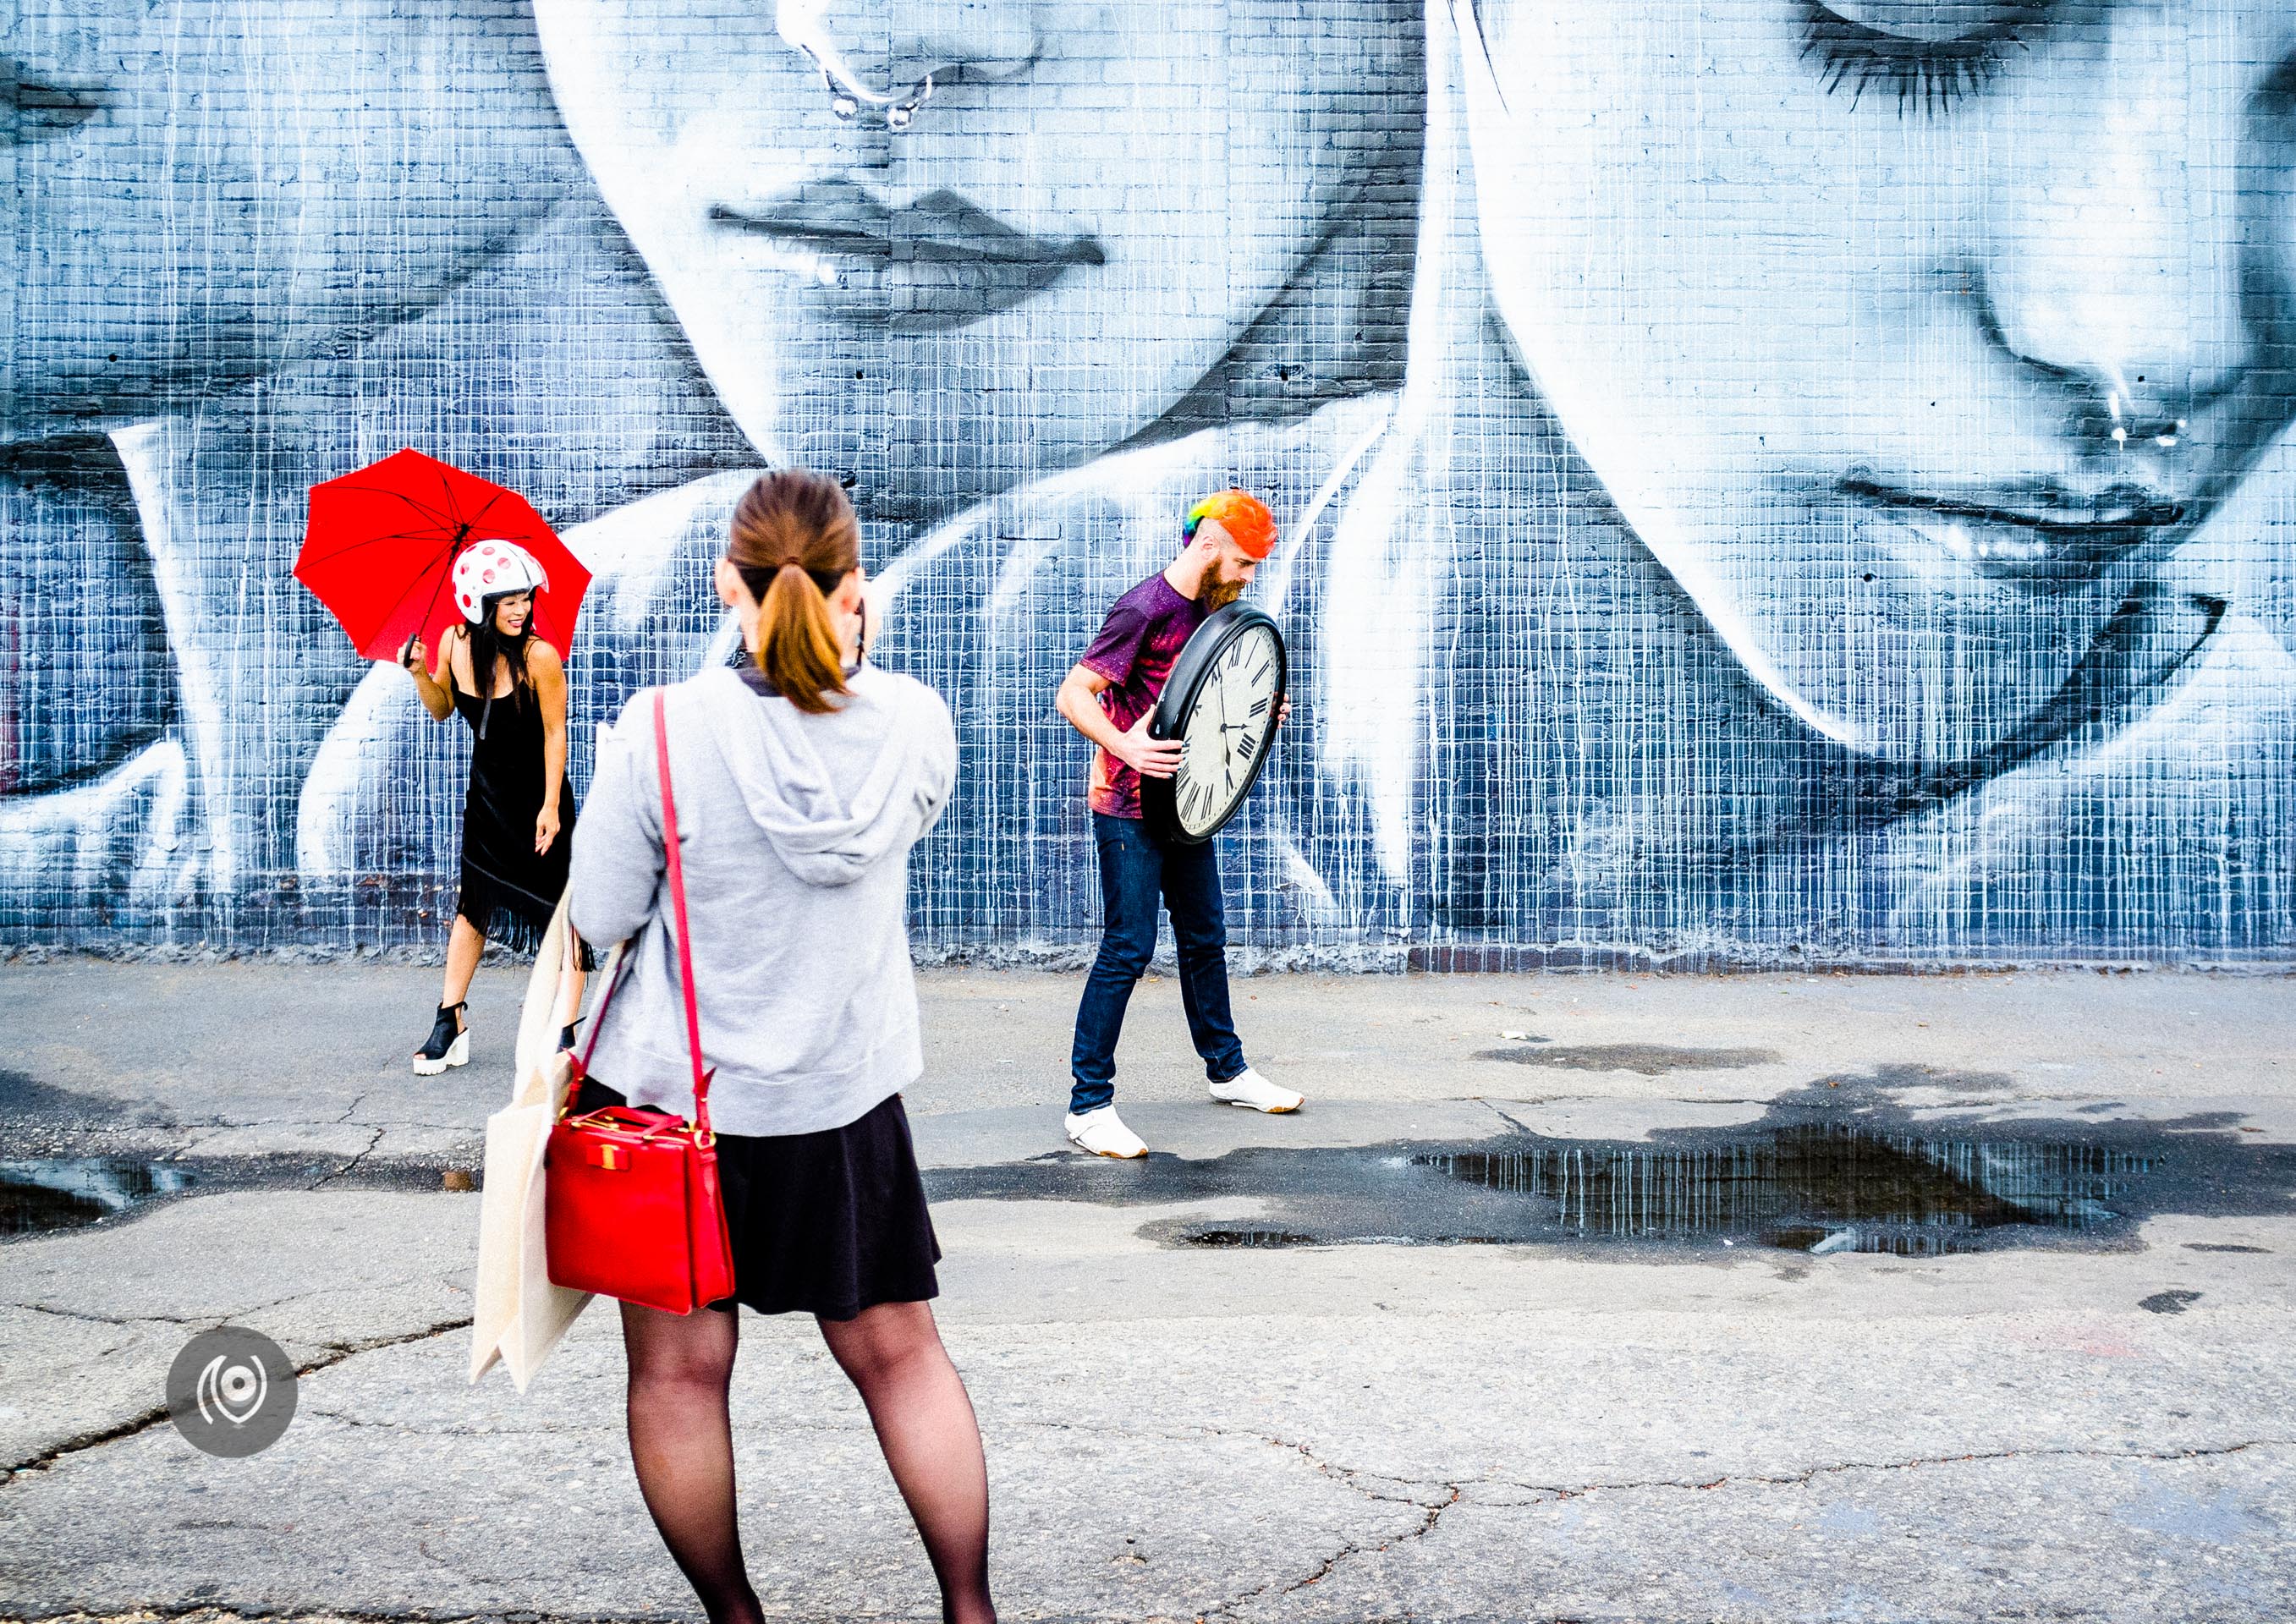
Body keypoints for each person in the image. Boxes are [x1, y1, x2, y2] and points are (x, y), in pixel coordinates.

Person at [566, 470, 987, 1624]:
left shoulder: (659, 729)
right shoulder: (916, 721)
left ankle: (739, 1620)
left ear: (725, 585)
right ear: (858, 588)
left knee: (679, 1378)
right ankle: (969, 1609)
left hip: (673, 1106)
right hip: (842, 1104)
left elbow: (597, 917)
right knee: (902, 1360)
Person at [1053, 490, 1303, 1158]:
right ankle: (1088, 1106)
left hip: (1189, 803)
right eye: (1246, 562)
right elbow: (1074, 692)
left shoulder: (1214, 609)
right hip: (1130, 807)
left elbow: (1209, 692)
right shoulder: (1145, 608)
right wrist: (1125, 744)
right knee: (1128, 949)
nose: (1250, 576)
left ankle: (1228, 1071)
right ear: (1210, 544)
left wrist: (1255, 710)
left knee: (1204, 939)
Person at [396, 543, 586, 1073]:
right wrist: (417, 673)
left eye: (526, 599)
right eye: (508, 601)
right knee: (472, 909)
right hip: (487, 798)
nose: (522, 610)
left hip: (537, 801)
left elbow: (554, 733)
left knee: (561, 914)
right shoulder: (455, 643)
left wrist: (551, 806)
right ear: (479, 604)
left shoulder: (539, 657)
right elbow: (443, 709)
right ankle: (449, 1020)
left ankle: (566, 1031)